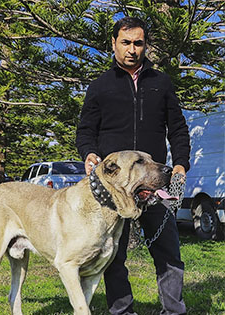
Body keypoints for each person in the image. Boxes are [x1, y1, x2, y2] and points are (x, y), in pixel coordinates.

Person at [75, 16, 190, 315]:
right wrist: (88, 153)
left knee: (168, 252)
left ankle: (174, 311)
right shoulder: (100, 86)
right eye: (125, 42)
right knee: (114, 255)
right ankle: (123, 311)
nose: (132, 49)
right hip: (115, 187)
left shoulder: (161, 83)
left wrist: (180, 164)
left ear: (145, 45)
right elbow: (86, 130)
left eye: (138, 43)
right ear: (113, 43)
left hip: (155, 182)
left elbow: (177, 128)